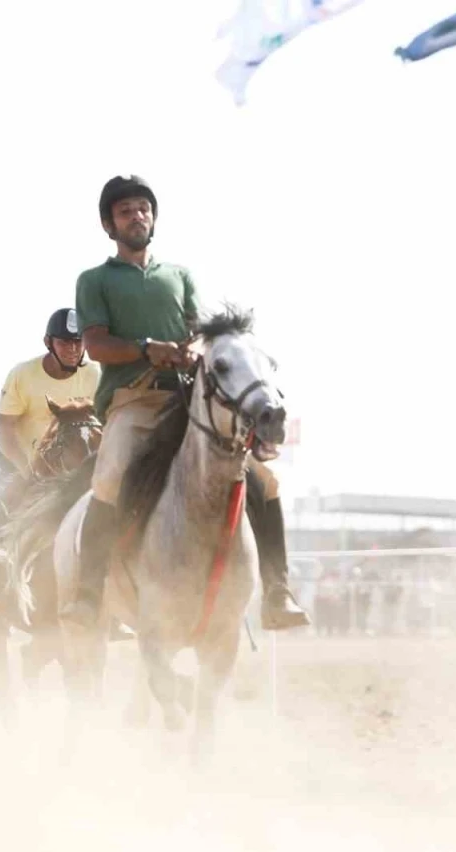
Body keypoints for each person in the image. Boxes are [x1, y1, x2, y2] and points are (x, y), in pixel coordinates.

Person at [58, 175, 309, 631]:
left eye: (143, 209)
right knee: (109, 478)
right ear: (109, 225)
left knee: (266, 481)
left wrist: (191, 349)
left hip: (188, 401)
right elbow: (95, 345)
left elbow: (199, 333)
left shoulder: (180, 275)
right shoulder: (94, 280)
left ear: (153, 218)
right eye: (125, 212)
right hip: (132, 402)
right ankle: (89, 595)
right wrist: (146, 348)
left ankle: (277, 592)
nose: (137, 216)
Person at [0, 307, 100, 533]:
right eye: (64, 342)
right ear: (48, 342)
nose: (73, 349)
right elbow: (4, 428)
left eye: (78, 342)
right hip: (20, 466)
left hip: (70, 471)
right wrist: (27, 470)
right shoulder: (22, 374)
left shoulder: (95, 375)